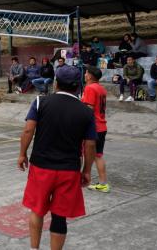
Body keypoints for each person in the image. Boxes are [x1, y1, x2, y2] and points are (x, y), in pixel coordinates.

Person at [18, 64, 96, 250]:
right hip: (68, 170)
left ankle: (34, 248)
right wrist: (86, 170)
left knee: (37, 210)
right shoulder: (86, 112)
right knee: (60, 216)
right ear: (78, 86)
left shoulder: (40, 102)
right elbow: (90, 144)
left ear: (55, 83)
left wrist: (22, 154)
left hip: (41, 167)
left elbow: (29, 129)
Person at [82, 66, 110, 193]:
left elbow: (88, 109)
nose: (84, 74)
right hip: (102, 126)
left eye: (86, 72)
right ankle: (103, 183)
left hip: (92, 127)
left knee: (83, 153)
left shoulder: (90, 88)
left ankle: (81, 178)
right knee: (98, 155)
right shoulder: (101, 88)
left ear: (90, 76)